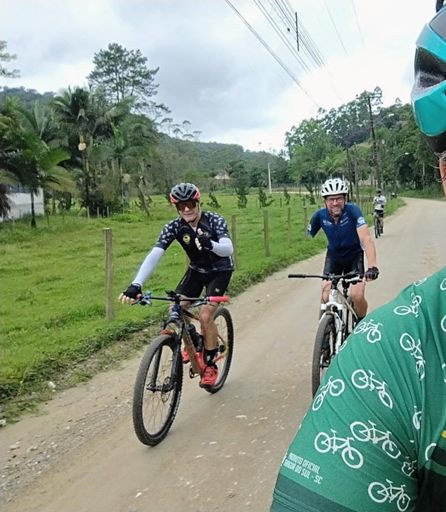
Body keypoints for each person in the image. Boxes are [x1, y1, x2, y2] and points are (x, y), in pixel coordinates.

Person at [270, 6, 446, 511]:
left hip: (356, 261)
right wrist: (314, 261)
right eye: (328, 201)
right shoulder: (322, 217)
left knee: (359, 293)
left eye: (336, 200)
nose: (332, 206)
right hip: (334, 261)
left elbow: (367, 241)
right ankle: (334, 327)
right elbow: (313, 238)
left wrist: (369, 267)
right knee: (328, 294)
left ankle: (356, 322)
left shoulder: (358, 212)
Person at [119, 182, 234, 389]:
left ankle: (210, 364)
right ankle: (194, 340)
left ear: (198, 203)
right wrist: (136, 284)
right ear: (176, 208)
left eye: (191, 204)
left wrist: (211, 244)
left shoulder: (214, 220)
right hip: (197, 270)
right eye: (181, 206)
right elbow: (155, 254)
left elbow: (228, 248)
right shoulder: (174, 227)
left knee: (205, 315)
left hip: (220, 270)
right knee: (175, 307)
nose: (187, 209)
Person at [308, 177, 379, 320]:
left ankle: (361, 322)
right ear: (325, 201)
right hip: (334, 257)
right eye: (331, 199)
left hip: (354, 257)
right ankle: (328, 325)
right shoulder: (319, 216)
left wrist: (372, 267)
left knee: (356, 295)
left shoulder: (353, 211)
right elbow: (307, 238)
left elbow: (366, 238)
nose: (335, 203)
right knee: (326, 294)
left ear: (345, 199)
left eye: (339, 198)